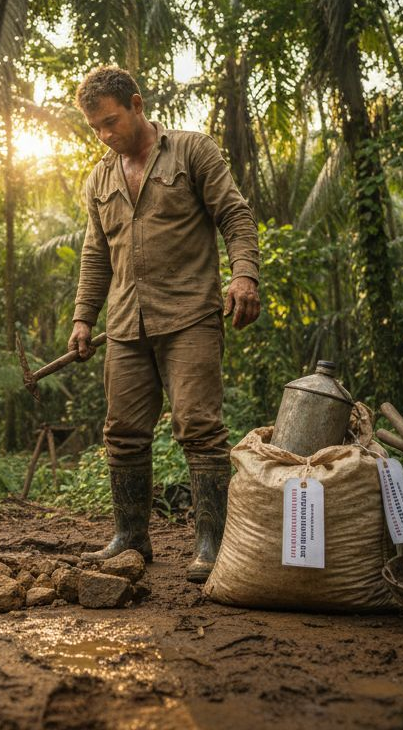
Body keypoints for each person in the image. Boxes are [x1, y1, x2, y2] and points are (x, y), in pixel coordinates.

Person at [68, 66, 261, 583]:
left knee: (200, 430)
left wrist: (244, 276)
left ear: (136, 104)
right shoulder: (100, 178)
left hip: (190, 316)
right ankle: (130, 537)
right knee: (123, 433)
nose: (106, 135)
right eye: (96, 129)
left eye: (111, 122)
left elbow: (235, 216)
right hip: (126, 325)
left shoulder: (193, 151)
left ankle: (211, 541)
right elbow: (95, 254)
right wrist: (84, 317)